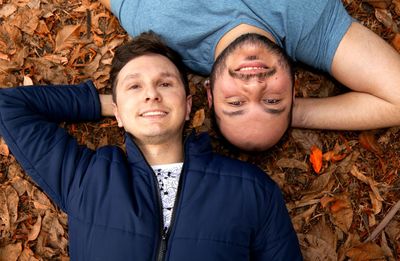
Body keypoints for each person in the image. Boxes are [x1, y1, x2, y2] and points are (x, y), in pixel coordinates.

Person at [0, 32, 302, 260]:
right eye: (135, 86)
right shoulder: (85, 179)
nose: (151, 95)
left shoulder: (252, 189)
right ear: (116, 111)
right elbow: (9, 105)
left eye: (165, 84)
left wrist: (130, 104)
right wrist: (111, 105)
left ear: (187, 106)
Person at [98, 0, 400, 151]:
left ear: (211, 94)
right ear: (293, 91)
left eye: (236, 103)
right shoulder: (311, 27)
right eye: (272, 100)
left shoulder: (163, 24)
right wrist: (297, 114)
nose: (254, 85)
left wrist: (279, 111)